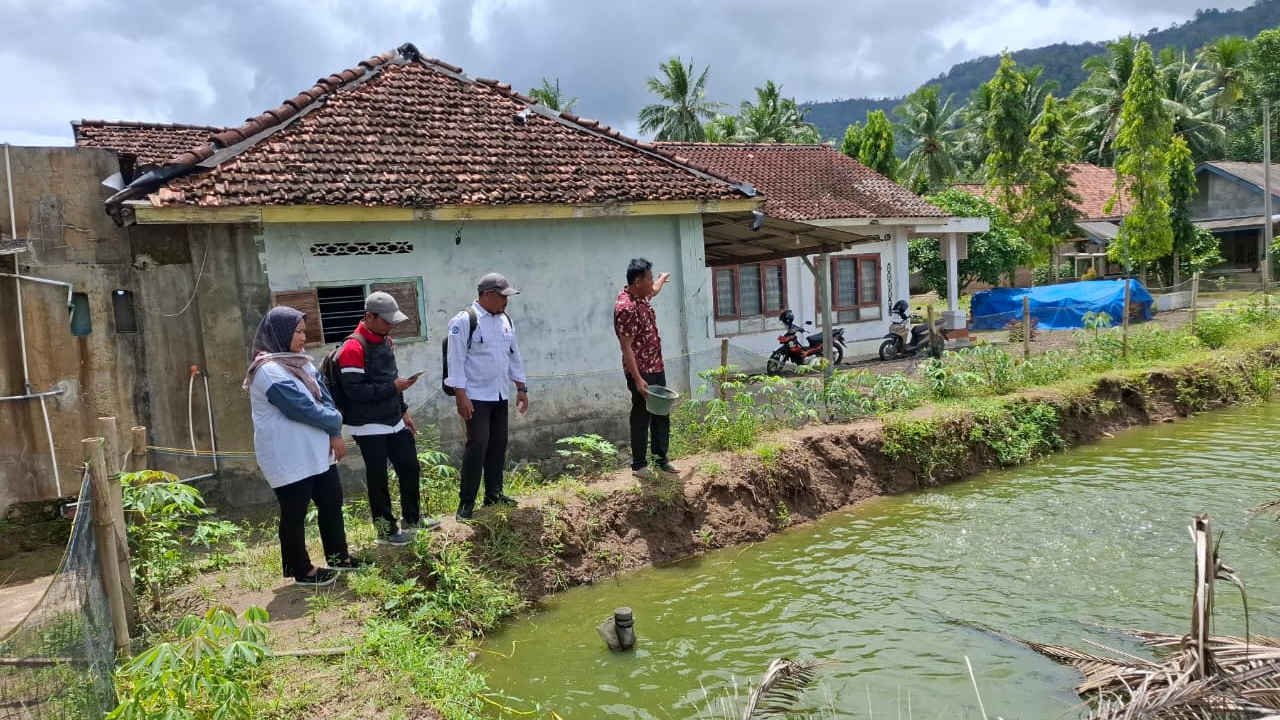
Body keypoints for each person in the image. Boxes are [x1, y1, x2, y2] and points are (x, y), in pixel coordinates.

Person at [244, 306, 360, 587]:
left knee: (331, 501)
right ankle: (301, 569)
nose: (303, 337)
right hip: (288, 455)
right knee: (295, 511)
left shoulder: (302, 363)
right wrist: (337, 419)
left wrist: (334, 431)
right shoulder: (267, 370)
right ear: (280, 333)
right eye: (297, 332)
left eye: (303, 332)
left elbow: (325, 397)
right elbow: (302, 409)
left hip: (318, 450)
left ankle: (339, 556)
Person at [338, 291, 439, 545]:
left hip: (394, 419)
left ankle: (412, 519)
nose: (390, 325)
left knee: (409, 466)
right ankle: (385, 530)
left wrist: (403, 411)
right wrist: (393, 388)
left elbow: (392, 378)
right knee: (378, 478)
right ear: (369, 316)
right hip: (368, 424)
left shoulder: (387, 341)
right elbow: (355, 392)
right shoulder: (353, 348)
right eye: (386, 320)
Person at [445, 273, 529, 522]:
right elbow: (455, 360)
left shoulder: (505, 321)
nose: (506, 301)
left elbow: (513, 355)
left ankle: (494, 494)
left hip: (499, 393)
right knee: (478, 444)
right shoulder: (465, 321)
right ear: (488, 295)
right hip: (475, 396)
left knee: (498, 443)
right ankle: (466, 503)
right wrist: (460, 395)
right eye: (503, 296)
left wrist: (521, 387)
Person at [614, 258, 679, 478]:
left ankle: (661, 460)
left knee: (661, 413)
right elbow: (626, 347)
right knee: (642, 415)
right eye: (649, 279)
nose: (652, 283)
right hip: (640, 371)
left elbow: (654, 291)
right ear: (637, 282)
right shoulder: (626, 308)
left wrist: (662, 278)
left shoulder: (642, 295)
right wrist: (637, 378)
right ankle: (640, 465)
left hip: (656, 365)